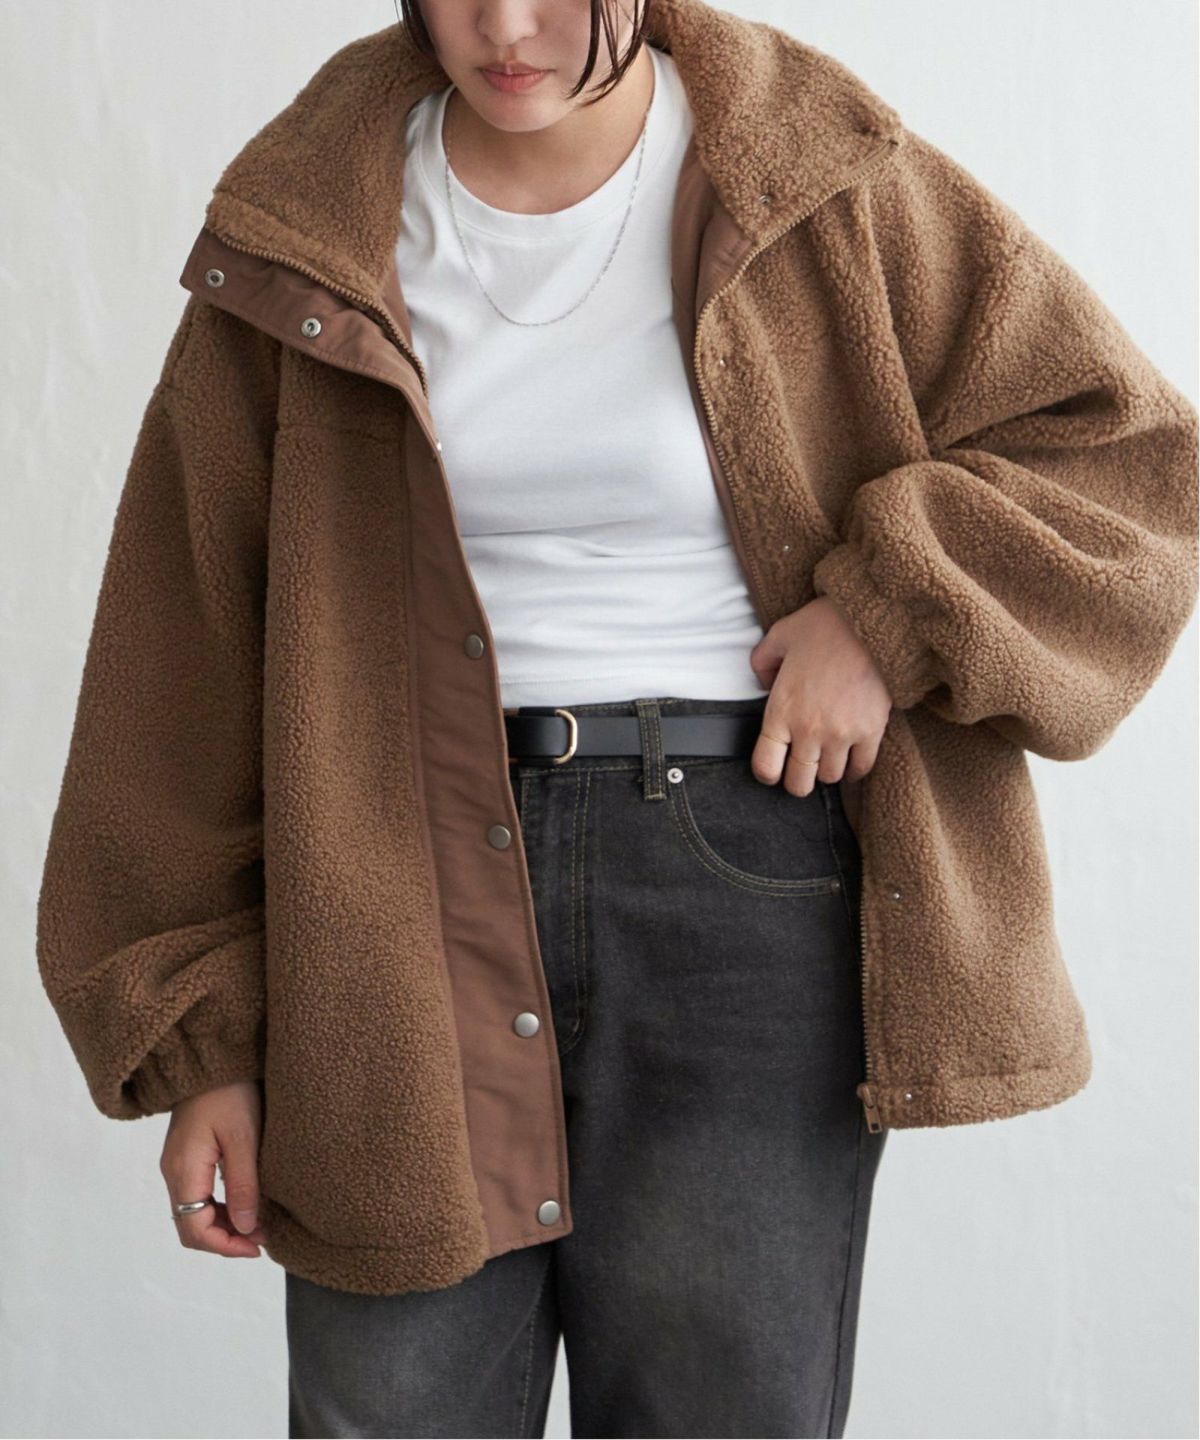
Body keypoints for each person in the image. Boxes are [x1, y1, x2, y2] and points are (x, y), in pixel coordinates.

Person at [36, 1, 1197, 1436]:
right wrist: (202, 1043)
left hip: (740, 875)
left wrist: (884, 617)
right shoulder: (305, 225)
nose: (505, 27)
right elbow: (183, 649)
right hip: (386, 908)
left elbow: (1124, 450)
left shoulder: (812, 173)